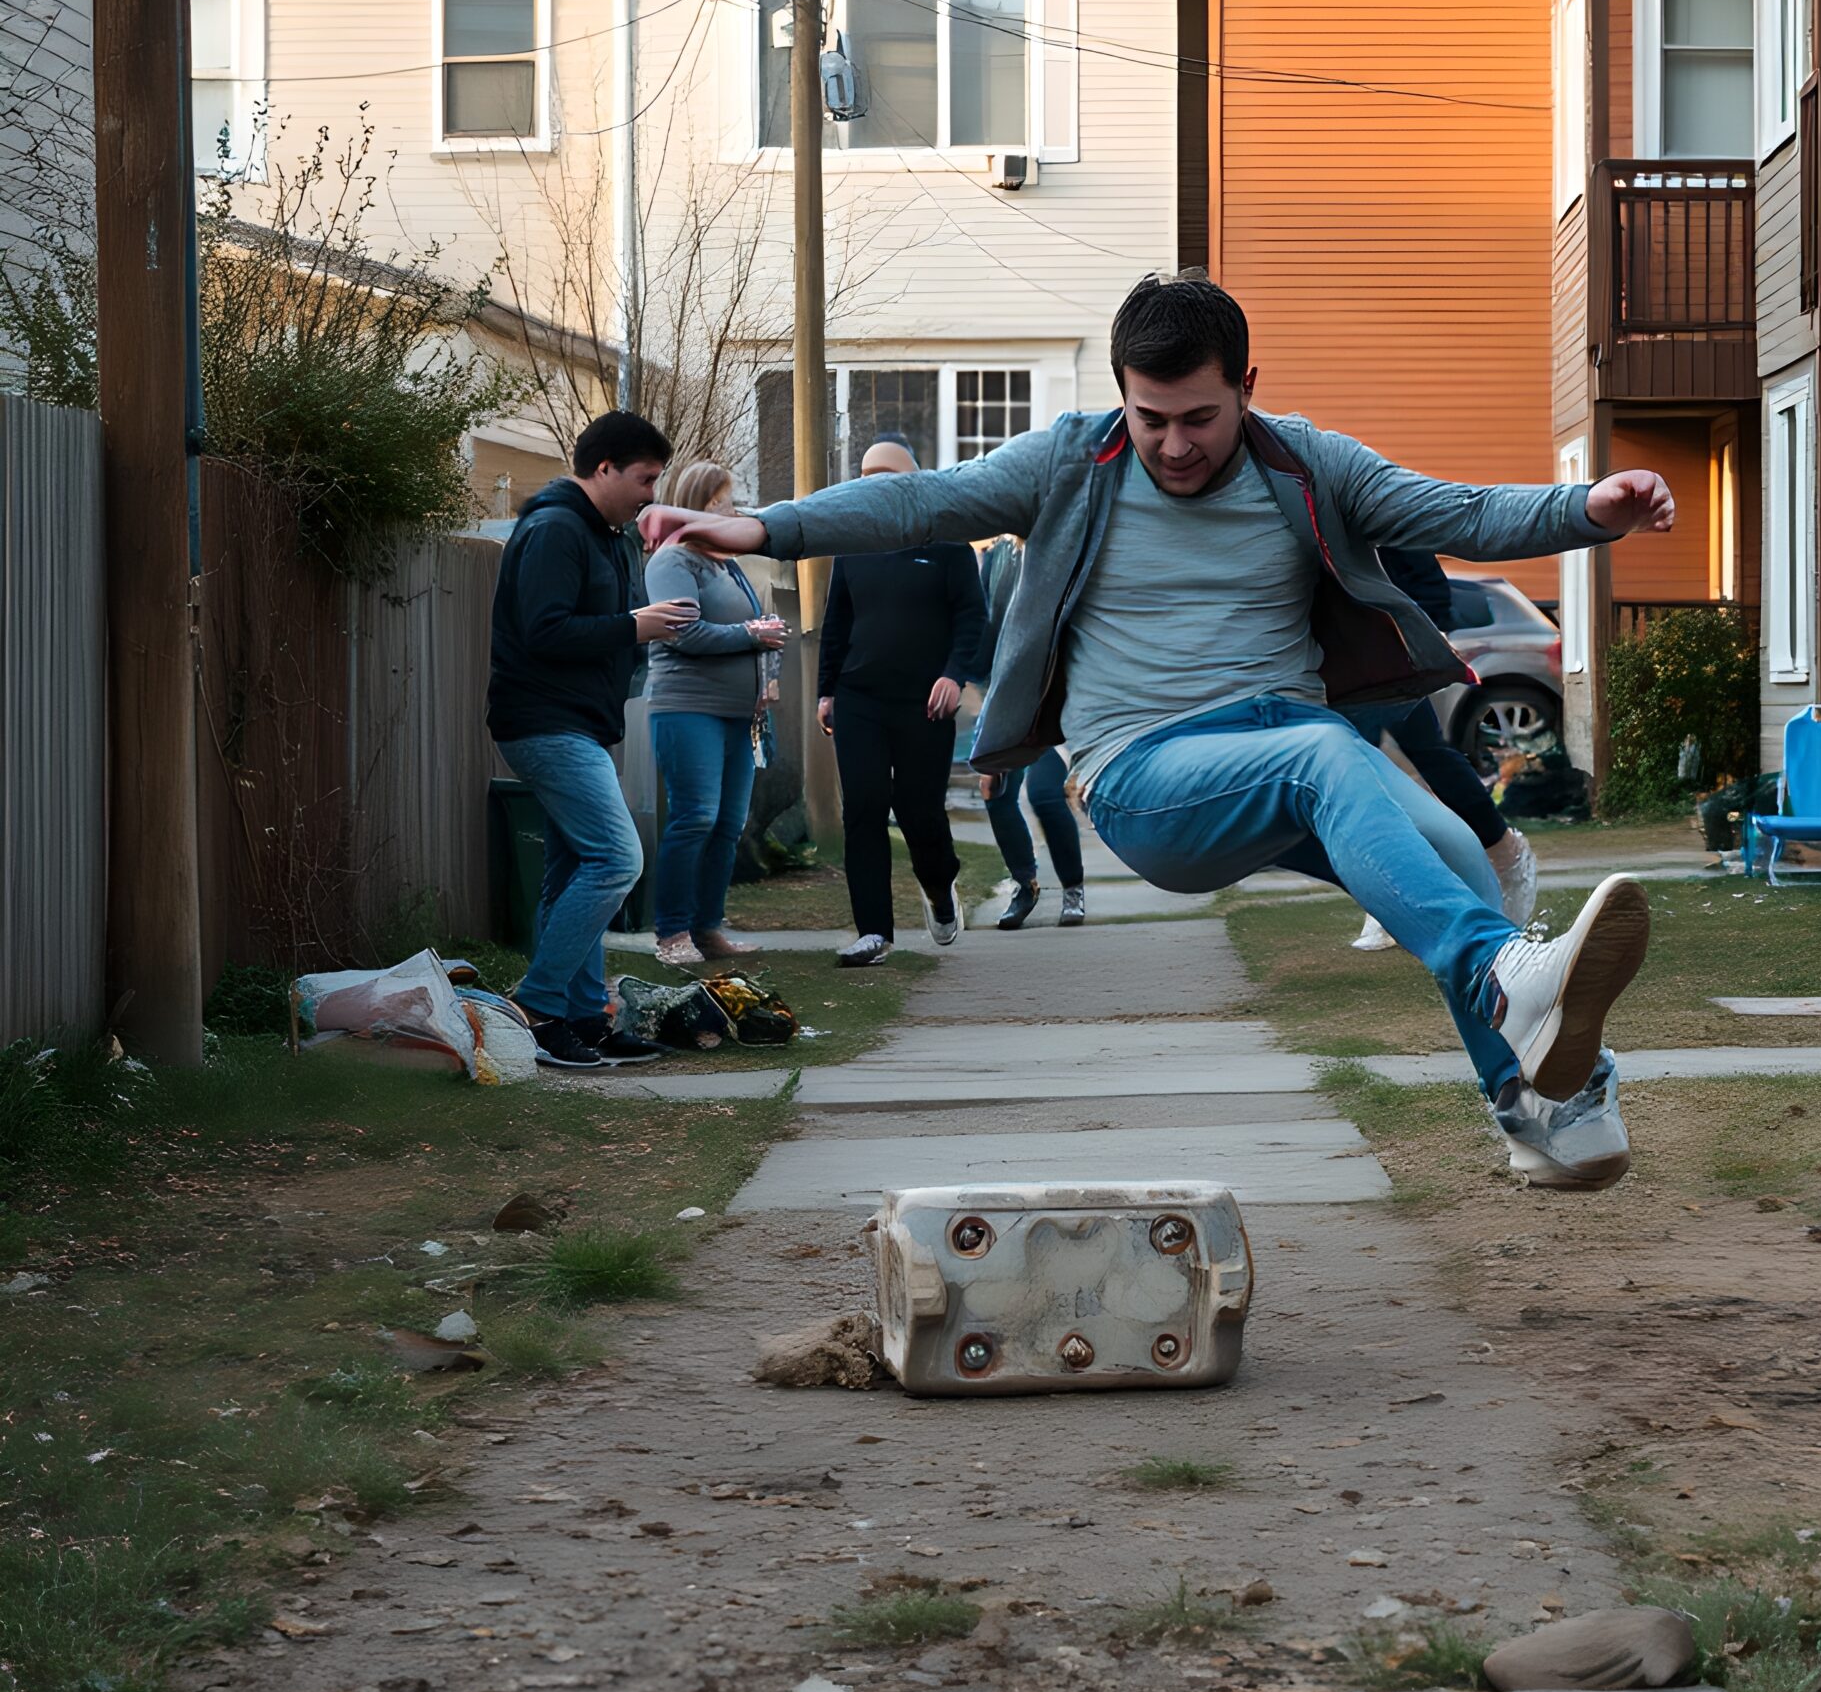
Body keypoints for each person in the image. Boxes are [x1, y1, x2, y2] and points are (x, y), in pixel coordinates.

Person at [645, 276, 1676, 1189]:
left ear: (1247, 386)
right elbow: (921, 501)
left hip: (1279, 752)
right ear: (1119, 393)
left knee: (1460, 857)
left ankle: (1540, 1113)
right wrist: (765, 527)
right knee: (1331, 759)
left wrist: (1589, 505)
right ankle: (1506, 983)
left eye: (1200, 417)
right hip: (1144, 776)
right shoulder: (1069, 463)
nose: (1175, 444)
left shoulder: (1308, 461)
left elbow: (1454, 510)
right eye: (1151, 418)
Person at [487, 409, 692, 1070]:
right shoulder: (553, 530)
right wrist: (635, 626)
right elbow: (545, 631)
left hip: (584, 721)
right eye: (644, 478)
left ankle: (580, 1018)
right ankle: (538, 1005)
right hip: (544, 722)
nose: (650, 493)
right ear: (603, 468)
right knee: (616, 859)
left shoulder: (610, 534)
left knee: (574, 871)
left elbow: (606, 623)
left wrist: (642, 629)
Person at [816, 439, 988, 968]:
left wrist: (954, 676)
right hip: (859, 697)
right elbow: (837, 622)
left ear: (912, 477)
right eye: (866, 473)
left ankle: (939, 888)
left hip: (925, 703)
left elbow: (972, 619)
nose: (875, 481)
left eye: (886, 471)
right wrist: (826, 690)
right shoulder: (853, 543)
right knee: (864, 808)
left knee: (918, 811)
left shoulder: (947, 543)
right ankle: (873, 932)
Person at [1345, 546, 1538, 954]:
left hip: (1398, 649)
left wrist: (1426, 637)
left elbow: (1421, 571)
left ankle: (1506, 855)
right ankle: (1391, 890)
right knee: (1368, 770)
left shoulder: (1372, 498)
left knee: (1425, 758)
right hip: (1343, 653)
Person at [643, 459, 787, 970]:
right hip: (688, 709)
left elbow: (753, 629)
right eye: (720, 503)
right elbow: (682, 633)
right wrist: (751, 634)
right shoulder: (673, 561)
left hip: (737, 716)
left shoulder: (726, 565)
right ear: (694, 506)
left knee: (729, 824)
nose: (731, 511)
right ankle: (671, 932)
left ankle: (708, 926)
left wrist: (767, 661)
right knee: (695, 818)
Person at [971, 534, 1087, 930]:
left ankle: (1073, 888)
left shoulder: (1065, 542)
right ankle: (1026, 884)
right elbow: (988, 618)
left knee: (1045, 794)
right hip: (1009, 688)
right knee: (994, 789)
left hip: (1059, 689)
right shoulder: (1001, 552)